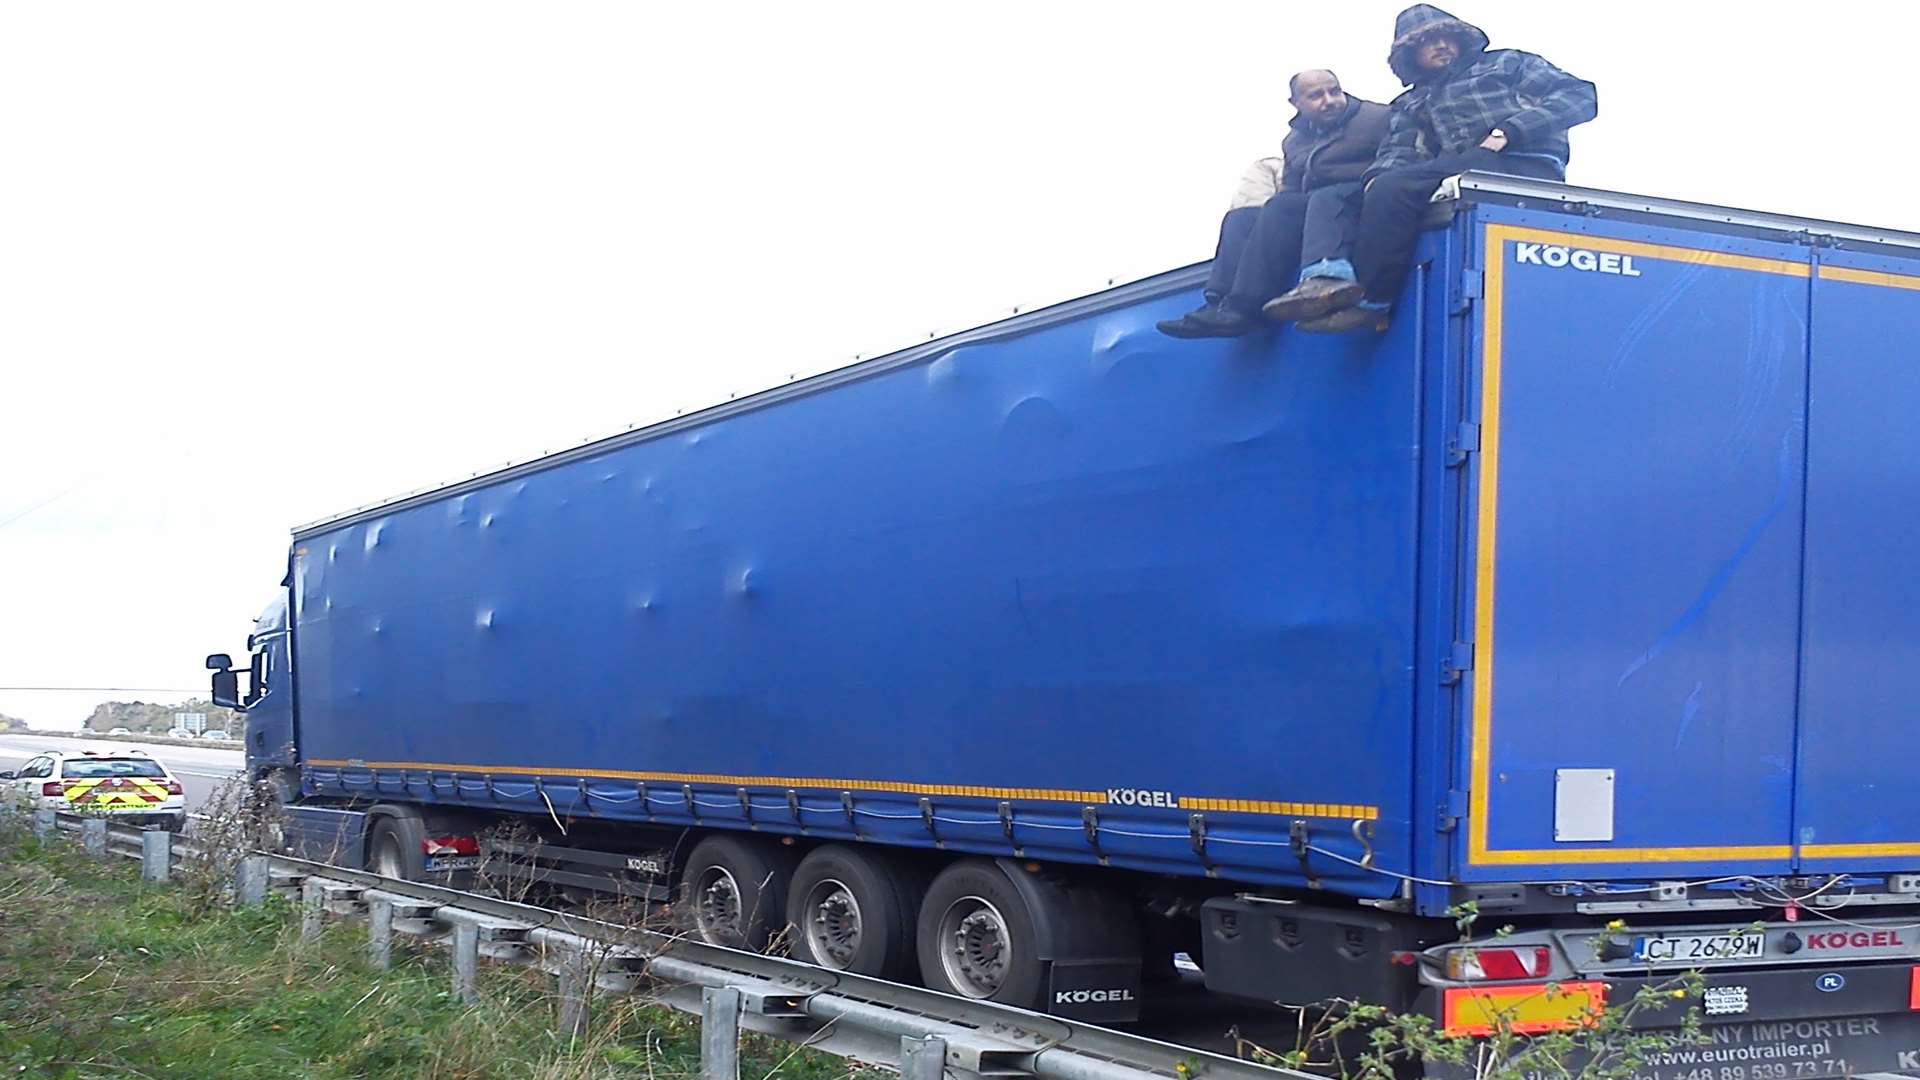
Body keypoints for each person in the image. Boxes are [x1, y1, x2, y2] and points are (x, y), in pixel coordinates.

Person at [1265, 5, 1597, 334]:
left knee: (1399, 186)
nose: (1441, 44)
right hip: (1461, 170)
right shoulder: (1410, 102)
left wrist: (1509, 131)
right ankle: (1327, 278)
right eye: (1428, 41)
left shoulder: (1507, 62)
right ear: (1411, 53)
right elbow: (1400, 151)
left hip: (1523, 165)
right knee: (1352, 193)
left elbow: (1579, 95)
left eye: (1447, 36)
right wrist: (1375, 179)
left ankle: (1373, 300)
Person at [1158, 70, 1390, 339]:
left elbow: (1395, 159)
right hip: (1317, 207)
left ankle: (1256, 304)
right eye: (1315, 95)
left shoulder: (1376, 118)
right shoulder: (1295, 140)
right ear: (1296, 103)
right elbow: (1292, 189)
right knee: (1247, 216)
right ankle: (1222, 303)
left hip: (1359, 197)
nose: (1329, 100)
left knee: (1304, 202)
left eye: (1334, 91)